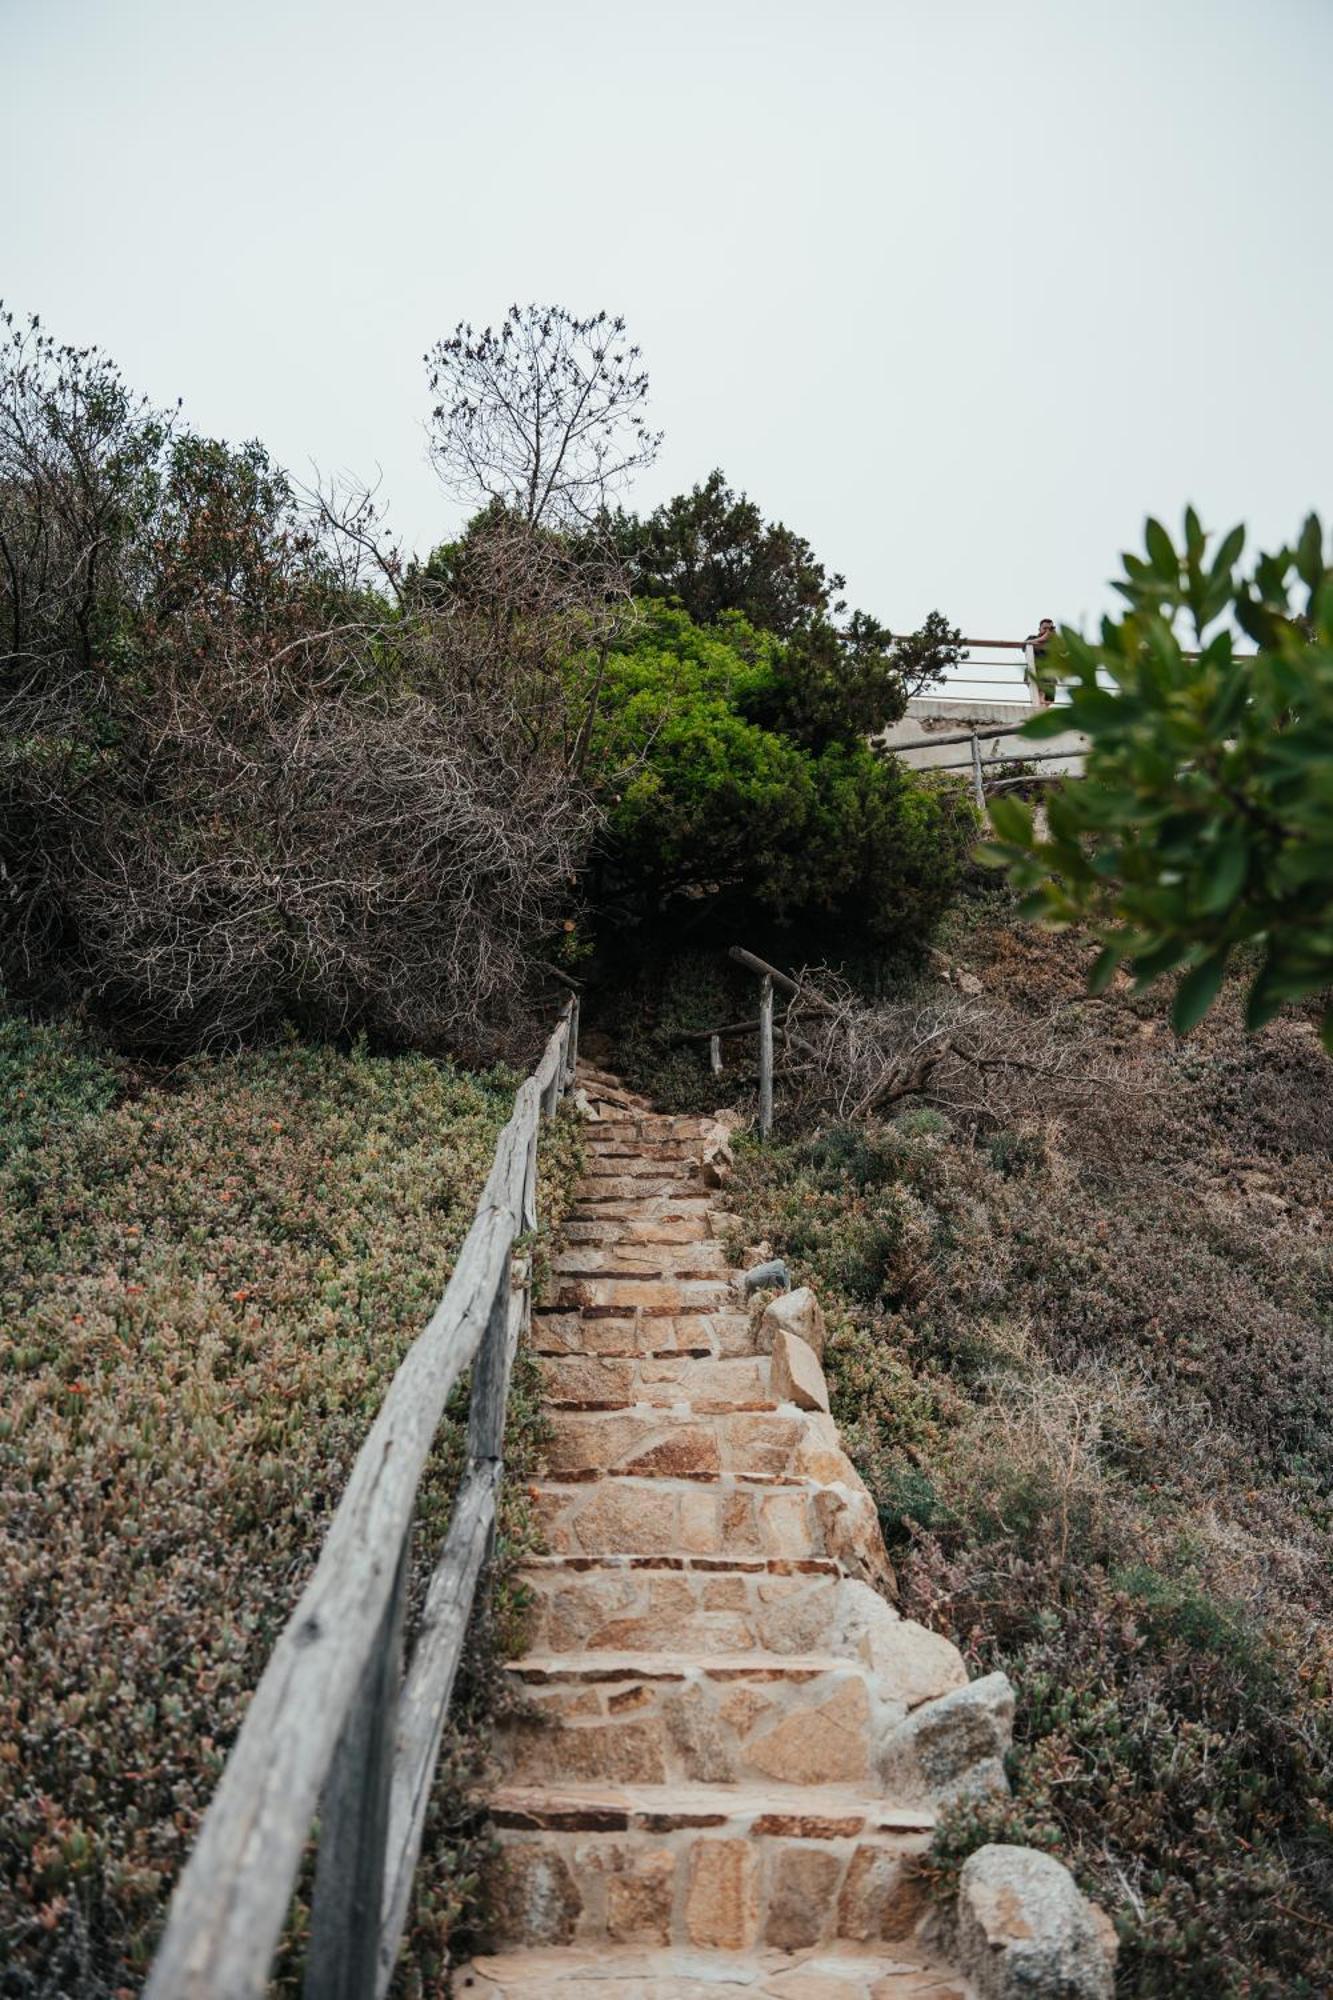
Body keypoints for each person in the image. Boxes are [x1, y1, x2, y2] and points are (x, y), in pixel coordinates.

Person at [1025, 616, 1056, 705]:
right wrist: (1044, 638)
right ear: (1039, 629)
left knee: (1048, 701)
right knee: (1039, 696)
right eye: (1044, 628)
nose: (1047, 630)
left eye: (1049, 629)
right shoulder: (1032, 637)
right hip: (1035, 671)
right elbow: (1025, 646)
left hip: (1050, 676)